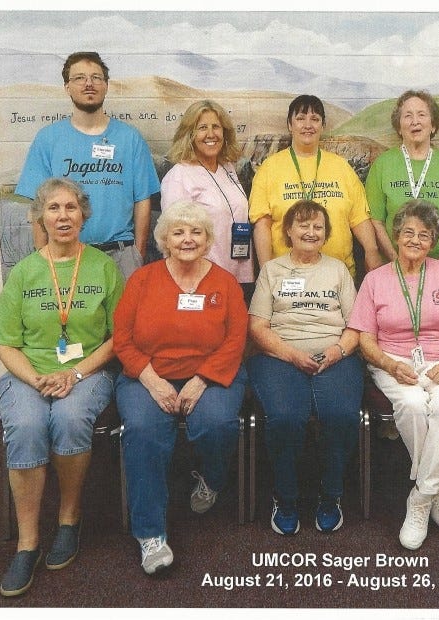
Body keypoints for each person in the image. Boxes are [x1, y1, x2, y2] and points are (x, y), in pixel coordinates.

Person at [0, 178, 124, 596]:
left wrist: (74, 375)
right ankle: (28, 542)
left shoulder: (102, 266)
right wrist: (36, 378)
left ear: (83, 215)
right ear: (40, 217)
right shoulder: (25, 271)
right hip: (30, 373)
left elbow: (120, 337)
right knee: (26, 427)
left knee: (69, 416)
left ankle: (68, 519)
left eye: (71, 208)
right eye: (53, 209)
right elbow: (5, 342)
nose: (63, 216)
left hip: (87, 372)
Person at [112, 201, 248, 575]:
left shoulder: (225, 283)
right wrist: (151, 380)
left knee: (216, 423)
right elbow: (121, 339)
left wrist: (203, 379)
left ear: (207, 241)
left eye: (196, 232)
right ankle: (150, 533)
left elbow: (237, 339)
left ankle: (211, 478)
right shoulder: (142, 280)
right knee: (143, 431)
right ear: (164, 240)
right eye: (178, 232)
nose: (187, 239)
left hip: (212, 373)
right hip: (147, 375)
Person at [348, 199, 439, 551]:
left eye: (425, 235)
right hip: (393, 360)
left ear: (433, 242)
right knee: (413, 405)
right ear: (397, 235)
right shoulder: (374, 280)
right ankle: (437, 488)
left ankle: (421, 496)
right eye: (409, 232)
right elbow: (365, 339)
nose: (415, 240)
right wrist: (389, 364)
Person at [247, 200, 363, 536]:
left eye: (318, 227)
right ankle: (285, 498)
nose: (310, 232)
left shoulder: (339, 270)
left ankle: (331, 496)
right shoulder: (272, 271)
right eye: (303, 225)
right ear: (288, 231)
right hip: (280, 355)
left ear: (326, 234)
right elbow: (257, 328)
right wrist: (292, 355)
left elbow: (356, 326)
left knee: (340, 415)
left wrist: (338, 351)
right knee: (285, 417)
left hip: (334, 354)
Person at [16, 51, 161, 280]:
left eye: (96, 77)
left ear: (106, 85)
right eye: (79, 78)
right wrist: (43, 257)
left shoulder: (130, 138)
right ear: (67, 87)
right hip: (65, 256)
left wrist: (138, 252)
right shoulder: (48, 139)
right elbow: (38, 205)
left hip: (121, 256)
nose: (89, 84)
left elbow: (142, 200)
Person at [248, 94, 383, 278]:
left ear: (323, 125)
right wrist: (266, 271)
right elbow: (262, 224)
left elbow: (359, 217)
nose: (308, 125)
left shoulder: (341, 166)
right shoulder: (269, 168)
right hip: (287, 276)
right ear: (290, 124)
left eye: (315, 119)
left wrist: (372, 251)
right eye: (300, 118)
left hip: (338, 276)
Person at [365, 89, 439, 269]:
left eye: (422, 114)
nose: (415, 121)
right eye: (408, 116)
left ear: (433, 125)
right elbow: (375, 222)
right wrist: (398, 264)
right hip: (394, 269)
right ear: (399, 127)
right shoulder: (382, 165)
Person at [161, 99, 254, 299]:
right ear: (190, 135)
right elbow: (173, 239)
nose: (211, 134)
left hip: (239, 273)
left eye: (216, 127)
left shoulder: (227, 168)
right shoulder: (179, 175)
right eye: (202, 128)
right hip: (201, 278)